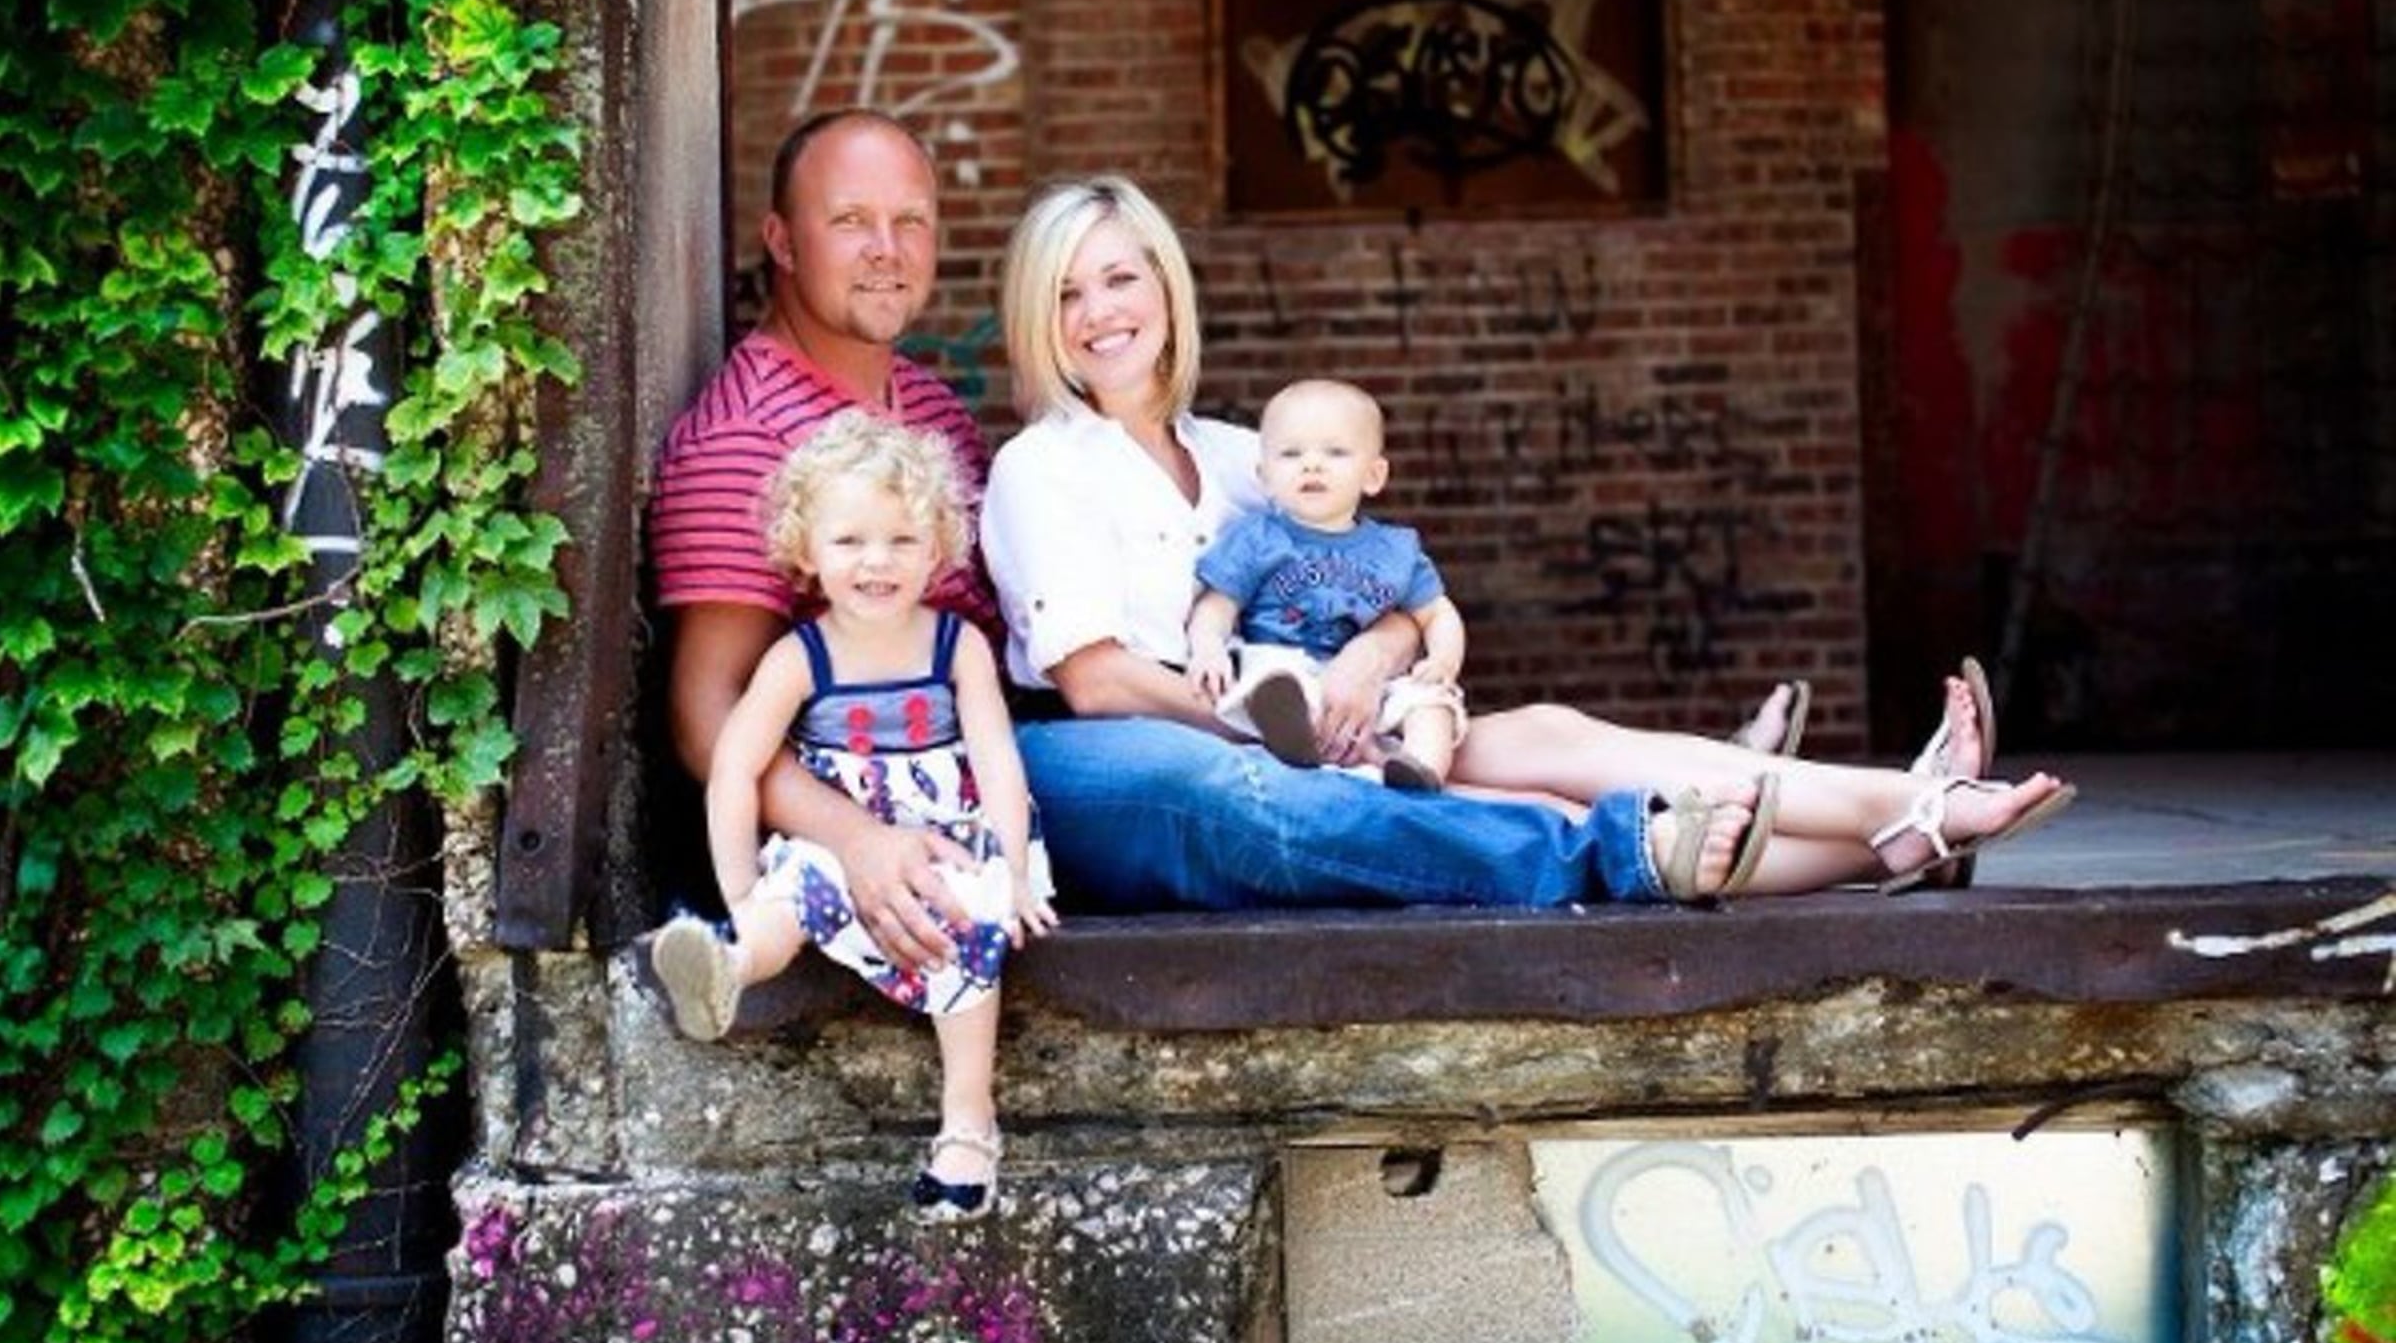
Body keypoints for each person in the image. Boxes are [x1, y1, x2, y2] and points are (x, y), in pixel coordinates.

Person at [980, 173, 2075, 911]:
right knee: (1498, 810)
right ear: (1039, 317)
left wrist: (1370, 657)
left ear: (1165, 287)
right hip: (1145, 756)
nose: (1098, 312)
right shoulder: (1042, 466)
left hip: (1322, 716)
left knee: (1547, 735)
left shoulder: (1240, 454)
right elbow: (1097, 681)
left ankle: (1899, 812)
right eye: (1066, 293)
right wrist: (1278, 730)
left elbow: (1376, 584)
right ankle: (1863, 828)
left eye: (1119, 277)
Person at [651, 411, 1056, 1220]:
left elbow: (998, 762)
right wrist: (741, 890)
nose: (877, 560)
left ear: (938, 548)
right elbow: (733, 768)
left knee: (964, 911)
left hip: (948, 840)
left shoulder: (957, 646)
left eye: (903, 539)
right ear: (806, 551)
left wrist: (1012, 871)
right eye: (849, 541)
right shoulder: (798, 657)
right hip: (839, 840)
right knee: (791, 889)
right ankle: (728, 966)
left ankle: (967, 1120)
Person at [652, 107, 1000, 979]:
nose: (887, 248)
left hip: (993, 772)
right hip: (888, 801)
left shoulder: (934, 411)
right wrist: (860, 841)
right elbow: (704, 713)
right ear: (782, 239)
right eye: (850, 220)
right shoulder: (746, 437)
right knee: (1197, 796)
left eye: (910, 220)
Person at [1186, 377, 1468, 790]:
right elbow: (1217, 605)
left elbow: (1437, 613)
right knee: (1268, 678)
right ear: (1265, 476)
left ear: (1373, 475)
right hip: (1287, 665)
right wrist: (1207, 647)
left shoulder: (1395, 549)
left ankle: (1418, 769)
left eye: (1335, 452)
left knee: (1431, 703)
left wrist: (1443, 661)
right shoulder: (1257, 538)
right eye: (1291, 453)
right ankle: (1299, 742)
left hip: (1375, 688)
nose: (1312, 465)